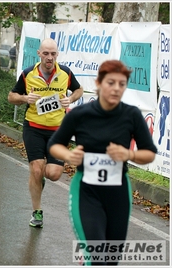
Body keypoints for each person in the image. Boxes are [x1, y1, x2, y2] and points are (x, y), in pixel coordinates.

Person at [48, 60, 157, 265]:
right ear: (99, 83)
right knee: (98, 256)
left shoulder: (131, 115)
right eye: (111, 83)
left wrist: (129, 155)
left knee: (110, 260)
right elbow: (54, 145)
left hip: (118, 193)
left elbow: (149, 153)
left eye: (122, 84)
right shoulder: (81, 115)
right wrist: (69, 156)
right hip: (86, 192)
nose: (116, 88)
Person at [8, 38, 83, 228]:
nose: (50, 58)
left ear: (57, 55)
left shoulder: (65, 73)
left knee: (53, 174)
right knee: (36, 168)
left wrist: (71, 98)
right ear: (39, 54)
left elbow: (79, 90)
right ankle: (37, 213)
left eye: (53, 54)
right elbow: (11, 97)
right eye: (46, 54)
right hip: (33, 127)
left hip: (58, 131)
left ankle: (39, 178)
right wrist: (25, 98)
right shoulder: (28, 74)